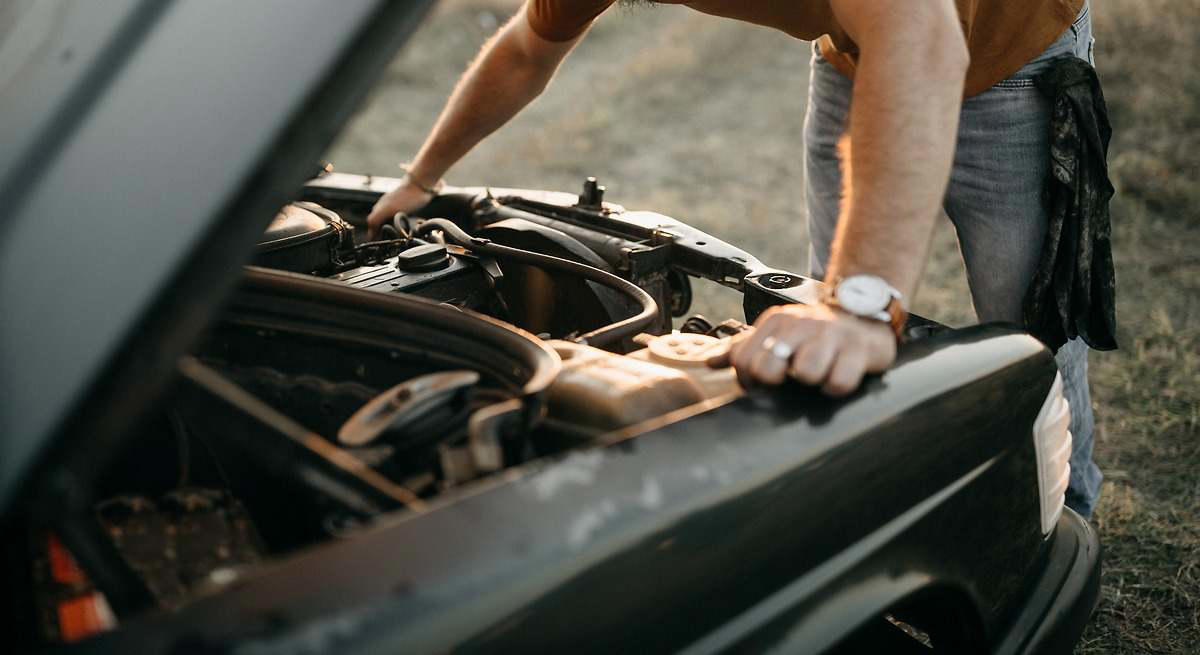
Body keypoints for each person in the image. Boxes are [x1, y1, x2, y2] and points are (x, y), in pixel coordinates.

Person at [365, 0, 1102, 518]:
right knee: (824, 321)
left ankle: (1065, 511)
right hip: (853, 53)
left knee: (1031, 325)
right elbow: (527, 50)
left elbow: (923, 36)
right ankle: (853, 498)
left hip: (1015, 54)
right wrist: (421, 179)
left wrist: (862, 303)